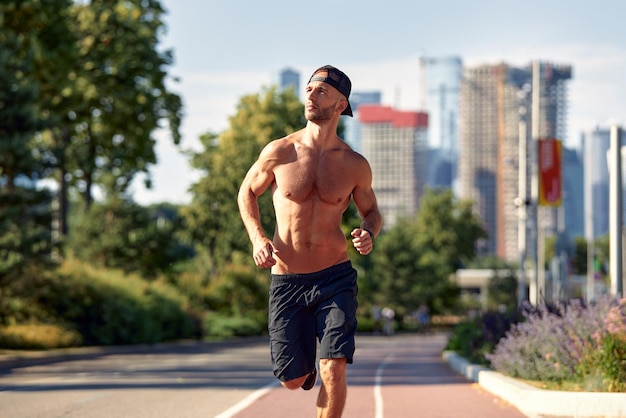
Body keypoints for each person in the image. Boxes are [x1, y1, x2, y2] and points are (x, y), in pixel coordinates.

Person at [237, 65, 382, 418]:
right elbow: (247, 193)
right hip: (286, 280)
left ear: (340, 103)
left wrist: (368, 232)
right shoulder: (280, 151)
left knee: (334, 367)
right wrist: (257, 238)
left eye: (321, 91)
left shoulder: (354, 164)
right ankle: (304, 370)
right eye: (309, 89)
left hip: (335, 277)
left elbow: (372, 211)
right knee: (292, 378)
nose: (311, 96)